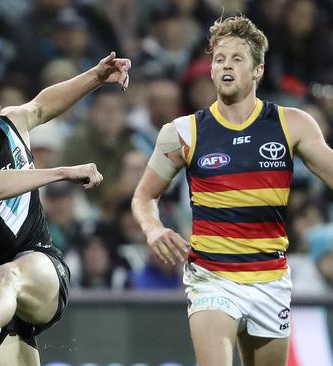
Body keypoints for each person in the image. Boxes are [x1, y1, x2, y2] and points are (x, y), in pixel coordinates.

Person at [131, 15, 333, 366]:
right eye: (219, 59)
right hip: (212, 278)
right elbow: (144, 196)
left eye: (237, 59)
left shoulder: (292, 124)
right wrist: (153, 228)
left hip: (270, 279)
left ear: (258, 70)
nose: (226, 65)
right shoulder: (182, 133)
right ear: (210, 70)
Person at [0, 52, 130, 365]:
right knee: (1, 280)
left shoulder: (14, 124)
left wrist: (96, 76)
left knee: (9, 273)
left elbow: (41, 104)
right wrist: (62, 173)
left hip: (40, 271)